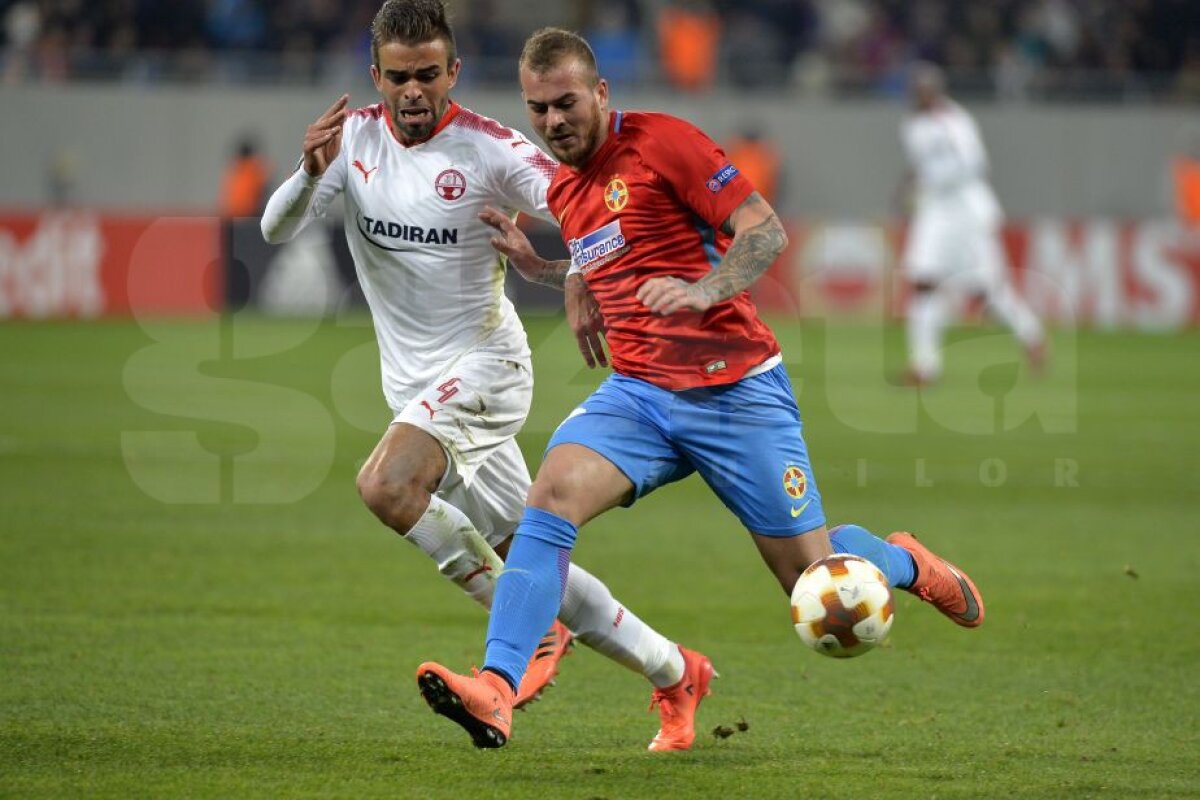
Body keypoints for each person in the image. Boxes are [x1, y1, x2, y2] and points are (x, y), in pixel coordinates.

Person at [416, 28, 986, 751]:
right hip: (638, 396)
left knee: (819, 588)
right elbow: (612, 255)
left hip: (736, 394)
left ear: (600, 92)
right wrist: (550, 273)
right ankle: (497, 687)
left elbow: (764, 231)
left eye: (566, 103)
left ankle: (902, 559)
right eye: (539, 109)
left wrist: (704, 290)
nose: (553, 121)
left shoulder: (665, 142)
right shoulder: (563, 187)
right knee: (550, 498)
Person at [260, 0, 696, 735]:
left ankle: (524, 635)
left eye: (428, 75)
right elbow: (277, 227)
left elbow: (587, 207)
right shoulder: (353, 140)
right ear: (376, 75)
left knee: (387, 485)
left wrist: (580, 271)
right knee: (535, 564)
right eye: (399, 77)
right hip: (416, 391)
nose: (413, 92)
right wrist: (308, 171)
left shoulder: (491, 150)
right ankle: (678, 673)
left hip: (487, 369)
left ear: (453, 72)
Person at [897, 62, 1045, 386]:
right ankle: (924, 366)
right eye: (917, 89)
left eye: (926, 89)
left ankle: (1032, 335)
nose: (922, 95)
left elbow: (974, 163)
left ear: (937, 90)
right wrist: (910, 188)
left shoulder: (955, 120)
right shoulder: (912, 126)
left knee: (987, 289)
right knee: (922, 281)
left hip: (967, 211)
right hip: (936, 212)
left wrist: (929, 181)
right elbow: (919, 167)